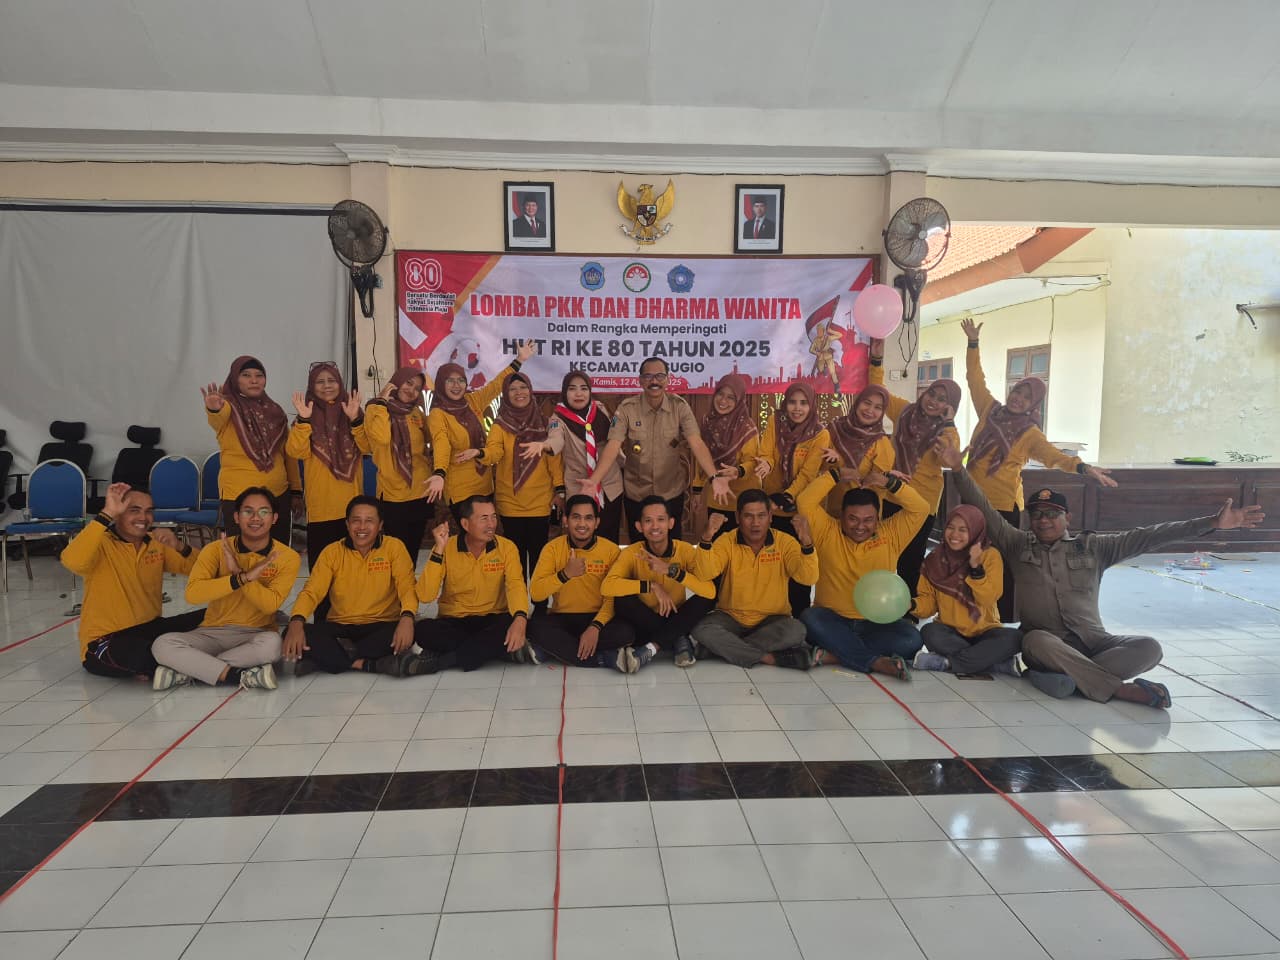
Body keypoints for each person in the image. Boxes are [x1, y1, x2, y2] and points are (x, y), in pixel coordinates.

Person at [937, 440, 1265, 707]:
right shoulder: (1017, 544)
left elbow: (1152, 535)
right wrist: (958, 469)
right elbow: (984, 507)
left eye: (1052, 514)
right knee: (1034, 640)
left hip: (1097, 643)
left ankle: (1069, 679)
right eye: (1037, 515)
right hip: (1047, 644)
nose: (1043, 520)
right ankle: (1117, 689)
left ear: (1067, 518)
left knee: (1150, 648)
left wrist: (1211, 523)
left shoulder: (1094, 547)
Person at [960, 317, 1117, 620]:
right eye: (1017, 392)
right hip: (970, 500)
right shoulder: (989, 410)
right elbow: (974, 378)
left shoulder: (1030, 434)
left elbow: (1053, 456)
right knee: (968, 557)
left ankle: (1002, 621)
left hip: (1001, 507)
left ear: (1034, 405)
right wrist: (973, 343)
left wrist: (1083, 468)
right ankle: (967, 615)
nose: (1018, 399)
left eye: (1027, 397)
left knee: (1000, 564)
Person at [152, 487, 301, 691]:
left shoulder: (287, 557)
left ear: (274, 518)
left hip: (256, 634)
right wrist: (240, 578)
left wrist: (239, 573)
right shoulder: (216, 549)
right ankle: (234, 674)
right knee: (162, 644)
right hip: (211, 632)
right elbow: (193, 594)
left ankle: (192, 669)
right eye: (248, 511)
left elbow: (270, 605)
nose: (255, 518)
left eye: (263, 512)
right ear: (236, 517)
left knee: (273, 645)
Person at [797, 467, 929, 680]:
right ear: (841, 516)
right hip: (833, 619)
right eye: (853, 518)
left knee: (912, 639)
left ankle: (836, 654)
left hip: (876, 623)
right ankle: (875, 661)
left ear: (878, 518)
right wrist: (835, 475)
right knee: (809, 619)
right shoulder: (826, 530)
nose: (860, 526)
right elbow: (804, 501)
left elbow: (921, 508)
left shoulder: (891, 534)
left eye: (868, 520)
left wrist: (889, 483)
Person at [61, 483, 202, 679]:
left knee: (216, 616)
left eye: (149, 511)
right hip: (107, 640)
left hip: (150, 630)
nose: (143, 518)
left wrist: (180, 546)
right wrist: (106, 513)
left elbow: (204, 572)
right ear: (118, 514)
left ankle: (175, 664)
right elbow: (72, 561)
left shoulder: (155, 542)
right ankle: (194, 665)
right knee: (140, 653)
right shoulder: (100, 542)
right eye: (134, 510)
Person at [581, 356, 733, 537]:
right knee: (639, 546)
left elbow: (697, 443)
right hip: (637, 494)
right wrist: (594, 481)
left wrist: (714, 476)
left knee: (671, 546)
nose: (654, 381)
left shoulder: (680, 407)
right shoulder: (627, 408)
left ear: (668, 379)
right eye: (648, 376)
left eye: (660, 376)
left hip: (670, 493)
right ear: (640, 381)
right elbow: (613, 445)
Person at [282, 496, 422, 677]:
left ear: (380, 525)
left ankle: (326, 660)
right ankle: (367, 664)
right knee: (290, 633)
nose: (362, 527)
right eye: (356, 521)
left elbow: (407, 587)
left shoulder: (394, 548)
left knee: (412, 631)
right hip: (341, 627)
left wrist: (407, 617)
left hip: (383, 624)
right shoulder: (332, 552)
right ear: (347, 524)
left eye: (369, 521)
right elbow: (312, 591)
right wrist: (296, 621)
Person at [867, 339, 961, 592]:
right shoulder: (905, 412)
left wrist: (949, 423)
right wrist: (876, 360)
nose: (933, 401)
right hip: (892, 493)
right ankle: (880, 600)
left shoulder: (946, 431)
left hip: (922, 501)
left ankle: (907, 606)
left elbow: (949, 459)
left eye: (942, 400)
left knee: (911, 558)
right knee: (884, 551)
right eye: (932, 394)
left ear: (950, 406)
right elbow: (879, 391)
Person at [689, 490, 817, 669]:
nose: (755, 523)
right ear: (738, 517)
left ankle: (720, 648)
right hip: (731, 617)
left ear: (770, 517)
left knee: (797, 630)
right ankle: (769, 658)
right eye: (748, 516)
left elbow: (808, 577)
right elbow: (704, 574)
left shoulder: (785, 542)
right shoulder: (727, 540)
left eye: (761, 516)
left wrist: (807, 543)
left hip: (772, 620)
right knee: (701, 629)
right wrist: (707, 537)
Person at [414, 495, 531, 672]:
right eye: (484, 519)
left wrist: (520, 618)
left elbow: (516, 586)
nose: (491, 524)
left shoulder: (507, 548)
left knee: (516, 625)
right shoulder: (446, 547)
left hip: (493, 618)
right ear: (465, 524)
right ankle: (492, 651)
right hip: (455, 620)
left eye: (493, 517)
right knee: (423, 630)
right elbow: (425, 595)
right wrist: (438, 549)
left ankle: (442, 661)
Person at [602, 495, 717, 669]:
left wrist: (672, 571)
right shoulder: (632, 552)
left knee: (705, 598)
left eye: (661, 520)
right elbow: (607, 586)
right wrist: (651, 586)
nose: (655, 526)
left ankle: (653, 647)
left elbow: (710, 592)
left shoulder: (685, 550)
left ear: (671, 523)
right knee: (621, 599)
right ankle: (678, 638)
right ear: (639, 526)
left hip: (675, 614)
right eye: (648, 521)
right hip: (645, 618)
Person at [909, 505, 1021, 677]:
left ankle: (947, 663)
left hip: (986, 631)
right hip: (950, 631)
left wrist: (975, 568)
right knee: (929, 632)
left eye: (963, 530)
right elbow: (929, 604)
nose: (954, 535)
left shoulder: (990, 556)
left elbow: (987, 599)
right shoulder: (934, 560)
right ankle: (991, 663)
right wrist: (911, 604)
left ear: (976, 531)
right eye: (950, 527)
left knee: (1014, 638)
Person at [526, 495, 637, 670]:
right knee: (534, 627)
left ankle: (555, 651)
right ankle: (604, 659)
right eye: (576, 517)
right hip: (563, 617)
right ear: (565, 520)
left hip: (599, 617)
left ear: (597, 522)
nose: (582, 524)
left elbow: (612, 598)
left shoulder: (611, 550)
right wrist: (565, 575)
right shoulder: (552, 548)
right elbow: (536, 593)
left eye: (588, 518)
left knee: (627, 632)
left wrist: (595, 627)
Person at [428, 341, 535, 516]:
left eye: (461, 380)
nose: (457, 385)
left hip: (484, 486)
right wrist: (439, 472)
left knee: (485, 530)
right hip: (461, 490)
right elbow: (441, 443)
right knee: (470, 530)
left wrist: (519, 360)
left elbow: (496, 386)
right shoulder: (437, 413)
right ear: (440, 383)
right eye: (450, 381)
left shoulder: (472, 401)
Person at [201, 356, 300, 543]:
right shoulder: (228, 406)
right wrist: (213, 409)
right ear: (235, 379)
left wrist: (296, 490)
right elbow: (217, 419)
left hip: (277, 493)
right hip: (238, 495)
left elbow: (288, 454)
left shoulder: (275, 411)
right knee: (242, 552)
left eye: (259, 375)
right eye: (246, 375)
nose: (254, 380)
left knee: (278, 551)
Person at [480, 371, 564, 582]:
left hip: (541, 502)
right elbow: (494, 452)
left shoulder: (545, 422)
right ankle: (517, 602)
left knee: (539, 561)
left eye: (523, 387)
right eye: (513, 389)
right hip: (510, 502)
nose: (519, 392)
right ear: (506, 394)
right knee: (514, 563)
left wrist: (560, 490)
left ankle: (539, 600)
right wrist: (481, 454)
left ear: (530, 390)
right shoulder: (500, 425)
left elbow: (554, 460)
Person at [286, 363, 368, 573]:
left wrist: (354, 420)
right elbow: (296, 451)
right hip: (321, 508)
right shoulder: (306, 414)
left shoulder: (352, 411)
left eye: (331, 380)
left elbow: (368, 447)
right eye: (320, 382)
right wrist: (304, 420)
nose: (327, 386)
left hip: (351, 506)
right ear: (312, 386)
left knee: (352, 570)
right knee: (322, 571)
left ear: (340, 383)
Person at [757, 381, 831, 616]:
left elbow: (808, 474)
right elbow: (766, 453)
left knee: (799, 564)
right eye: (792, 402)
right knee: (772, 563)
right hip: (771, 506)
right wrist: (766, 464)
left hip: (798, 508)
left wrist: (786, 497)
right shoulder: (775, 421)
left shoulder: (820, 434)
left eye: (803, 403)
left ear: (812, 405)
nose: (797, 408)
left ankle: (801, 616)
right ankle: (771, 614)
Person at [525, 371, 625, 543]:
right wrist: (544, 445)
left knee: (609, 537)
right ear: (565, 392)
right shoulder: (558, 418)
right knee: (581, 537)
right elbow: (556, 439)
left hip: (609, 485)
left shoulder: (600, 408)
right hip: (579, 487)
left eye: (583, 388)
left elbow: (613, 439)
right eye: (572, 389)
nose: (578, 394)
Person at [364, 366, 435, 563]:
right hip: (392, 495)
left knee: (412, 553)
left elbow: (430, 439)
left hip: (420, 491)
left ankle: (408, 584)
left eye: (417, 388)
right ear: (396, 382)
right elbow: (382, 437)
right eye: (408, 383)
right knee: (394, 554)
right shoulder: (375, 409)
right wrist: (381, 403)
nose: (411, 390)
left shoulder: (416, 413)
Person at [689, 373, 765, 538]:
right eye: (720, 394)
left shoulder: (746, 427)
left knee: (744, 547)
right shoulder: (707, 422)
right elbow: (703, 458)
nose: (723, 401)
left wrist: (738, 471)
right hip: (718, 497)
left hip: (745, 500)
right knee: (718, 545)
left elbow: (752, 462)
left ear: (739, 401)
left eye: (731, 397)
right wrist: (697, 490)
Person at [822, 383, 896, 513]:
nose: (870, 410)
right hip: (828, 512)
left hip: (862, 517)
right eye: (867, 403)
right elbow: (818, 469)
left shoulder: (881, 443)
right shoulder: (834, 430)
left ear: (882, 412)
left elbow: (878, 486)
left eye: (878, 407)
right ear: (857, 402)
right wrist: (831, 462)